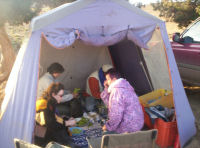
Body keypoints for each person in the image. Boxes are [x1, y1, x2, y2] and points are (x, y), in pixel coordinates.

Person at [35, 83, 79, 148]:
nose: (61, 98)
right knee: (64, 137)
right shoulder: (44, 105)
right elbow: (51, 124)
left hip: (48, 131)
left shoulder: (49, 101)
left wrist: (65, 120)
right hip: (44, 138)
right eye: (60, 96)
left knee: (64, 130)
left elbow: (54, 118)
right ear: (53, 94)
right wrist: (67, 123)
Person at [100, 68, 144, 134]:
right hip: (138, 123)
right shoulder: (125, 86)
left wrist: (107, 126)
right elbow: (108, 102)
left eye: (108, 79)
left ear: (114, 79)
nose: (106, 81)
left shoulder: (117, 91)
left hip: (128, 127)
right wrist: (106, 88)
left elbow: (116, 114)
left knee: (104, 134)